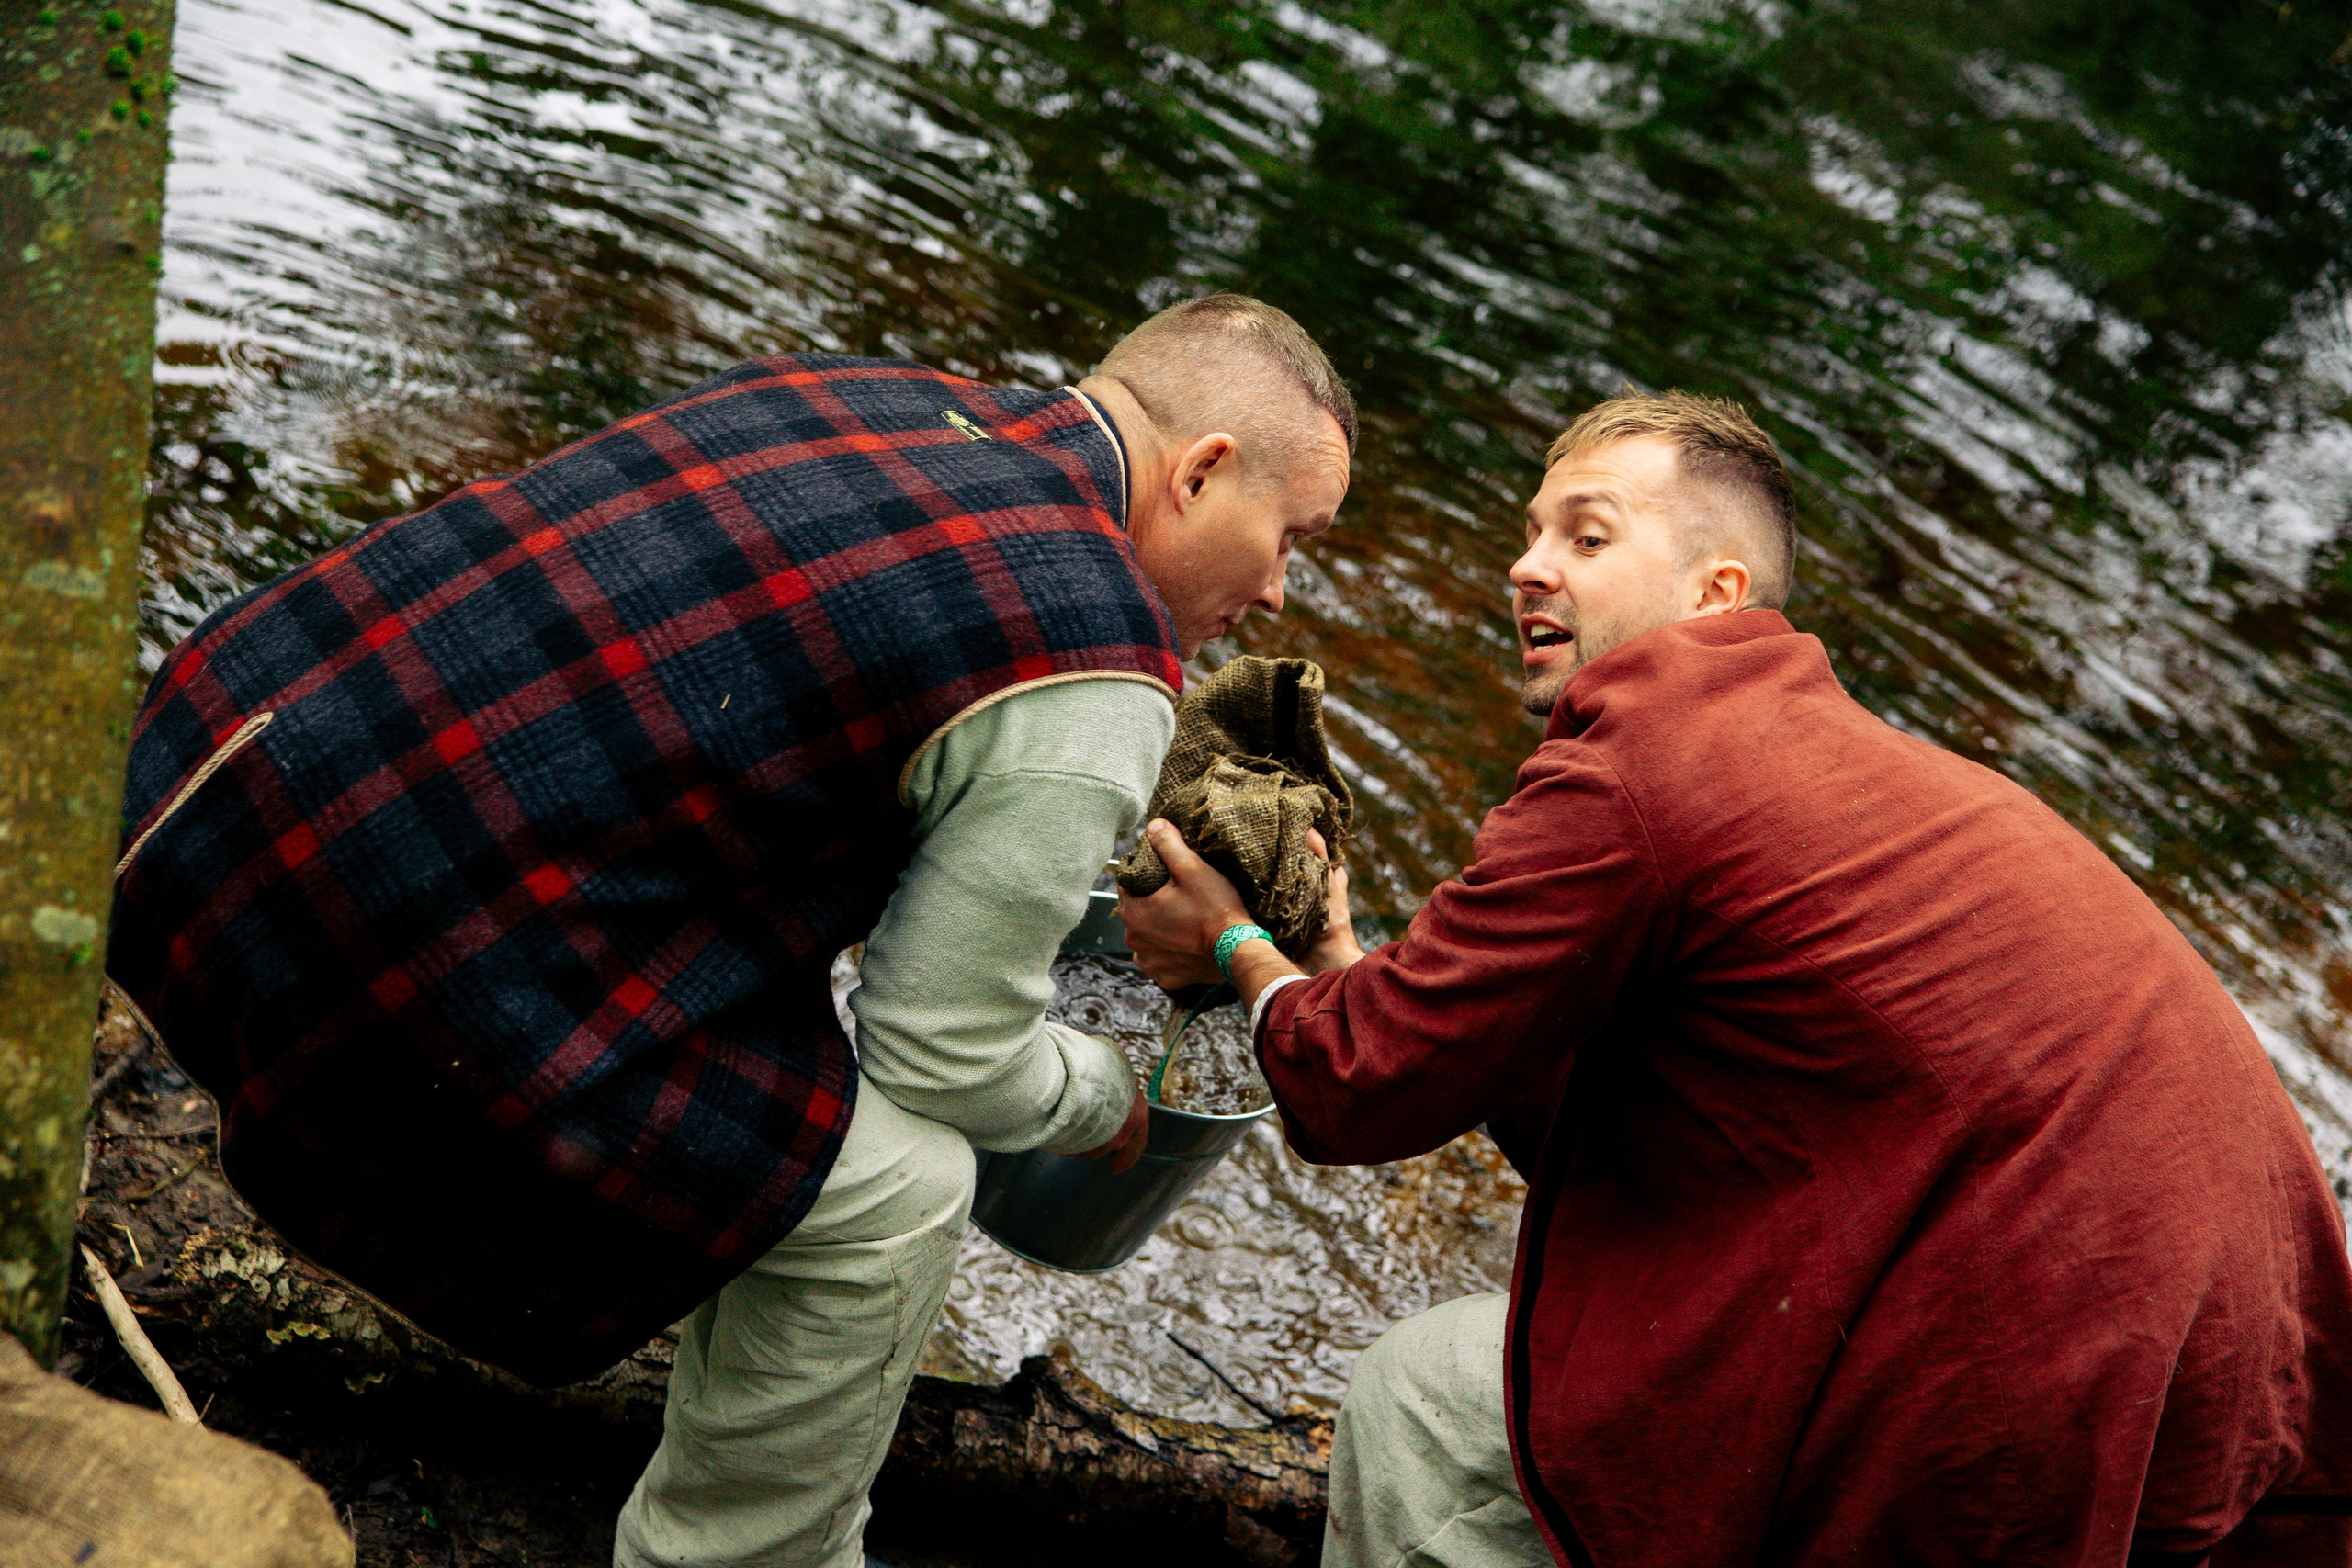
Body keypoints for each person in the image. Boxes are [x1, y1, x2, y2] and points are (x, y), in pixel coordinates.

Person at [104, 295, 1355, 1568]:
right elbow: (937, 1051)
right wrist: (1096, 1100)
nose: (1278, 585)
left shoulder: (866, 395)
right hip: (373, 951)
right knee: (904, 1191)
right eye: (1289, 534)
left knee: (777, 1041)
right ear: (1200, 473)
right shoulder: (1102, 657)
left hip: (182, 793)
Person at [1120, 390, 2352, 1567]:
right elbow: (1613, 1115)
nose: (1525, 565)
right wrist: (1341, 964)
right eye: (1529, 532)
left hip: (2031, 1355)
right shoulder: (1831, 758)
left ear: (1715, 594)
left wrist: (1235, 946)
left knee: (1424, 1398)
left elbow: (1358, 1087)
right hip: (2241, 1349)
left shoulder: (1640, 760)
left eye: (1587, 535)